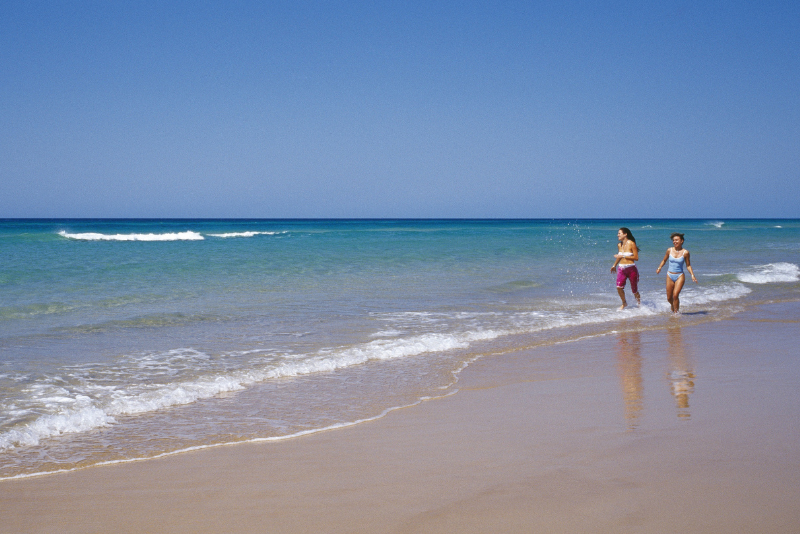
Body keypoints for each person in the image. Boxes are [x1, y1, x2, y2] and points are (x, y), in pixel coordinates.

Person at [656, 232, 697, 313]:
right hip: (669, 275)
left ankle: (676, 313)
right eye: (673, 240)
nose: (675, 242)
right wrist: (659, 267)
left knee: (675, 295)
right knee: (669, 298)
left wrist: (692, 275)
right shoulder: (669, 250)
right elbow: (664, 260)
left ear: (682, 241)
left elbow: (688, 265)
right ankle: (673, 305)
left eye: (677, 240)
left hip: (679, 276)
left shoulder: (686, 253)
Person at [611, 227, 641, 310]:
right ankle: (624, 303)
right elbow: (619, 256)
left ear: (625, 234)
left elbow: (636, 257)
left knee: (634, 290)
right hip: (621, 268)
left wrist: (623, 256)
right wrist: (614, 265)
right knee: (619, 287)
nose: (618, 235)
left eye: (619, 233)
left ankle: (640, 305)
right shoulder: (619, 245)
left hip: (631, 269)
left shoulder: (631, 243)